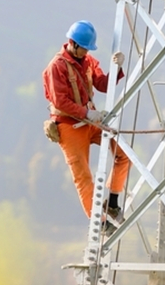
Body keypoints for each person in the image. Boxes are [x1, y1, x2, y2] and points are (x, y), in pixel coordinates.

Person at [43, 20, 130, 226]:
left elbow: (102, 84)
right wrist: (86, 113)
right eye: (84, 48)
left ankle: (113, 202)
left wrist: (117, 69)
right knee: (83, 176)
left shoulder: (89, 61)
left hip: (90, 121)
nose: (86, 52)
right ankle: (98, 223)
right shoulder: (56, 67)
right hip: (68, 126)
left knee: (124, 154)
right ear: (73, 44)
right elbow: (60, 101)